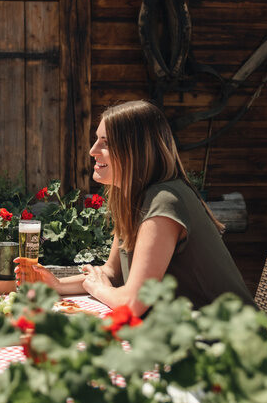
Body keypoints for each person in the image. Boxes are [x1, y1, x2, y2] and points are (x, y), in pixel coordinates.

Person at [17, 100, 254, 316]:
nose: (92, 151)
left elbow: (133, 303)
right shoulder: (133, 198)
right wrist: (57, 285)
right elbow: (112, 274)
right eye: (96, 139)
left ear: (135, 151)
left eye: (105, 143)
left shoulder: (164, 200)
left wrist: (97, 289)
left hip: (227, 348)